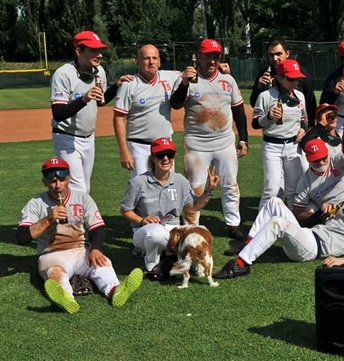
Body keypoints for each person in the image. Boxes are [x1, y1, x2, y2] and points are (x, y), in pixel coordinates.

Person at [16, 158, 143, 314]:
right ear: (44, 182)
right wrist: (48, 219)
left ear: (69, 179)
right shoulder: (36, 203)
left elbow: (98, 228)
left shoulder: (83, 198)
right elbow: (22, 237)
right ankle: (66, 299)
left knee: (102, 264)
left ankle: (116, 290)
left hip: (81, 250)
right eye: (53, 181)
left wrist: (96, 249)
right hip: (53, 254)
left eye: (62, 180)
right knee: (56, 273)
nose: (58, 185)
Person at [212, 185, 344, 279]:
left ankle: (241, 264)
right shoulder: (340, 216)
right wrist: (320, 214)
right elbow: (309, 224)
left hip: (311, 248)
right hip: (307, 234)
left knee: (278, 223)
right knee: (274, 202)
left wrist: (343, 260)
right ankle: (249, 243)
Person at [169, 38, 249, 241]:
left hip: (225, 142)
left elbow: (238, 109)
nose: (212, 60)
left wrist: (244, 138)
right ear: (199, 56)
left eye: (216, 56)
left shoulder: (227, 79)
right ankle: (191, 226)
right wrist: (185, 83)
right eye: (208, 56)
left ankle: (233, 224)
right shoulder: (186, 78)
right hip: (197, 144)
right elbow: (176, 104)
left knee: (230, 184)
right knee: (195, 186)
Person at [119, 137, 221, 279]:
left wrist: (209, 190)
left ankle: (180, 259)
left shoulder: (180, 180)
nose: (166, 158)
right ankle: (152, 265)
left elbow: (194, 207)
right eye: (161, 155)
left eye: (170, 154)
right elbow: (125, 209)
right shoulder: (138, 182)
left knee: (201, 230)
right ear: (153, 157)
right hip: (145, 231)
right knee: (157, 234)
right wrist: (142, 221)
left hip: (173, 231)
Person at [50, 30, 132, 193]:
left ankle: (71, 217)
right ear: (79, 51)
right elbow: (58, 114)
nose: (100, 55)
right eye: (93, 50)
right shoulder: (63, 74)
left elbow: (100, 102)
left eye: (100, 50)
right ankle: (74, 218)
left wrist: (116, 86)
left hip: (89, 137)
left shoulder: (99, 72)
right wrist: (84, 99)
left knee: (85, 187)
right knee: (78, 187)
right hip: (66, 137)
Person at [113, 45, 182, 178]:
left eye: (155, 58)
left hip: (165, 145)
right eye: (146, 58)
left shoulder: (170, 77)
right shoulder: (129, 84)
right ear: (138, 61)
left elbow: (194, 73)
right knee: (143, 190)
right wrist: (124, 150)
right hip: (140, 146)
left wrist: (219, 67)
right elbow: (119, 118)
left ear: (159, 61)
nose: (151, 62)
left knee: (168, 187)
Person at [252, 59, 308, 210]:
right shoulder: (265, 96)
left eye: (297, 78)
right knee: (272, 188)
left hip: (293, 146)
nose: (294, 82)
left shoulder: (299, 96)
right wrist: (269, 117)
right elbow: (255, 123)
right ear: (280, 77)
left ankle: (291, 222)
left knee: (294, 189)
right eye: (290, 79)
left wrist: (303, 128)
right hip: (272, 146)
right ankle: (262, 223)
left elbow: (303, 118)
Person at [249, 37, 317, 126]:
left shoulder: (300, 72)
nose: (275, 58)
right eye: (271, 55)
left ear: (287, 53)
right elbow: (255, 104)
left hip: (295, 128)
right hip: (273, 129)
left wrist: (311, 125)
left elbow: (310, 102)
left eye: (278, 54)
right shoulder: (264, 74)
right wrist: (259, 87)